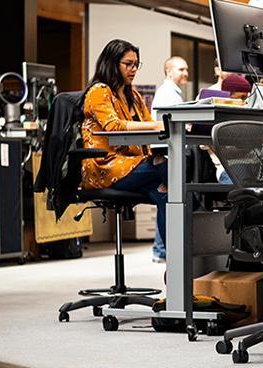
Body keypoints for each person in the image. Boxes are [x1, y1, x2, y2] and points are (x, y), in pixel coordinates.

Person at [80, 39, 168, 251]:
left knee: (168, 196)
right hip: (104, 166)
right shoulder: (99, 91)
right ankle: (200, 224)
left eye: (136, 64)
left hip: (130, 165)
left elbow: (150, 128)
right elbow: (113, 125)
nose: (134, 69)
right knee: (165, 168)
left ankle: (176, 263)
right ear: (112, 63)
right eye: (128, 64)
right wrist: (156, 124)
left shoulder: (134, 96)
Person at [149, 56, 189, 263]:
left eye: (186, 69)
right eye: (181, 69)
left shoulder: (173, 92)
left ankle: (160, 249)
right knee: (168, 196)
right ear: (169, 72)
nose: (185, 73)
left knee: (166, 197)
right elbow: (168, 123)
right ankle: (161, 249)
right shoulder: (167, 93)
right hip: (166, 152)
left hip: (168, 150)